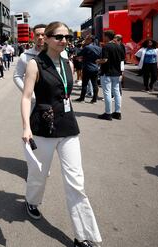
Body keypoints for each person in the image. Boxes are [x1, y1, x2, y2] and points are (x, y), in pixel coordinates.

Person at [21, 21, 102, 247]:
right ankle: (31, 201)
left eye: (66, 37)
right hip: (43, 128)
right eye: (58, 36)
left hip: (67, 126)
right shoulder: (34, 65)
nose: (64, 40)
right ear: (46, 38)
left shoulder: (67, 61)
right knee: (38, 173)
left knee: (76, 182)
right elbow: (27, 97)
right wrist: (26, 127)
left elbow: (67, 90)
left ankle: (84, 235)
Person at [96, 30, 124, 121]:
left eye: (104, 36)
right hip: (117, 72)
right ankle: (117, 112)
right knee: (117, 92)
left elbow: (105, 60)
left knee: (107, 92)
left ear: (107, 36)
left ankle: (108, 113)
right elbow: (122, 59)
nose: (103, 37)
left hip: (107, 72)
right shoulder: (119, 46)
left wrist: (97, 61)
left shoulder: (106, 46)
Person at [74, 35, 102, 103]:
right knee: (95, 84)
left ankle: (82, 98)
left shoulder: (87, 47)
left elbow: (79, 54)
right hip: (95, 68)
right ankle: (94, 99)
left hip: (87, 67)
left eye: (87, 39)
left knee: (85, 84)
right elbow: (100, 57)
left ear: (90, 40)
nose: (85, 40)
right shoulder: (99, 48)